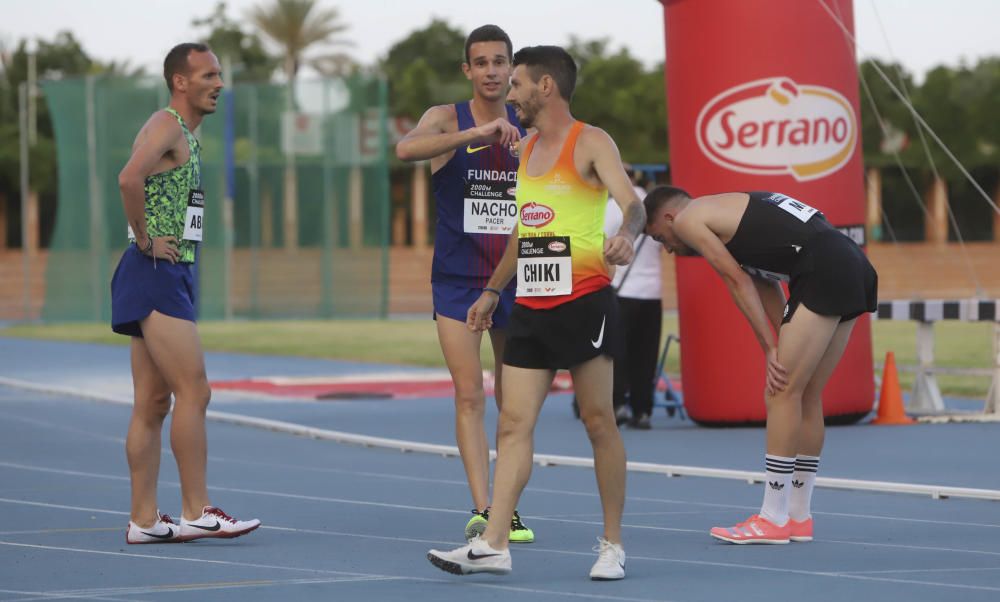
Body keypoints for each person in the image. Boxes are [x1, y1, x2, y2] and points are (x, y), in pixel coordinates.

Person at [427, 45, 645, 580]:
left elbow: (633, 202)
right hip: (529, 304)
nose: (511, 92)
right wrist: (493, 292)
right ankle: (494, 543)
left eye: (519, 83)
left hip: (585, 300)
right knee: (514, 425)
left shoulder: (591, 141)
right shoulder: (523, 150)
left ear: (546, 87)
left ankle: (612, 545)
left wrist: (626, 236)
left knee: (599, 423)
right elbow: (525, 231)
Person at [643, 187, 877, 544]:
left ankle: (772, 517)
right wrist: (779, 338)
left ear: (670, 218)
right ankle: (798, 516)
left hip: (823, 265)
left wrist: (770, 348)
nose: (668, 249)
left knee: (781, 392)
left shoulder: (691, 218)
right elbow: (763, 283)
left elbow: (735, 281)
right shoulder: (736, 220)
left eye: (661, 238)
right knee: (806, 393)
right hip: (850, 261)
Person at [112, 43, 260, 544]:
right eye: (208, 75)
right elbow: (128, 177)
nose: (219, 83)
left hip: (157, 270)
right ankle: (197, 509)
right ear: (181, 81)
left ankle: (145, 520)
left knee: (152, 401)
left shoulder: (186, 136)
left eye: (219, 74)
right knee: (194, 390)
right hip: (155, 270)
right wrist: (147, 237)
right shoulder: (168, 123)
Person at [395, 25, 533, 543]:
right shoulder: (446, 118)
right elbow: (406, 148)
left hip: (517, 277)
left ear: (512, 67)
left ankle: (508, 505)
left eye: (501, 62)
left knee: (514, 401)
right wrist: (472, 137)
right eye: (482, 63)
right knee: (469, 394)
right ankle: (486, 507)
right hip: (457, 279)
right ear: (467, 70)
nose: (492, 71)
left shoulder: (530, 117)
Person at [606, 170, 662, 430]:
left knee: (616, 352)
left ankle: (617, 404)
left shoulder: (611, 209)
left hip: (621, 290)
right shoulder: (654, 207)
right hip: (653, 292)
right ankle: (643, 409)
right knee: (646, 355)